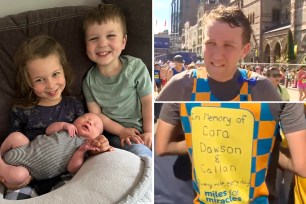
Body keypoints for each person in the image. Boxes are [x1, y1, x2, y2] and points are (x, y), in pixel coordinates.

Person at [2, 35, 110, 198]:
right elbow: (13, 142)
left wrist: (99, 145)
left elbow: (87, 137)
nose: (51, 85)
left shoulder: (74, 105)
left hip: (64, 175)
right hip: (27, 174)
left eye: (55, 74)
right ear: (28, 81)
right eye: (39, 80)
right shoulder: (21, 109)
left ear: (64, 71)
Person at [156, 102, 306, 203]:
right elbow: (301, 167)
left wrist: (208, 139)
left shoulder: (182, 89)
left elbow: (162, 147)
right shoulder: (285, 100)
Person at [156, 5, 281, 101]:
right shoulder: (179, 86)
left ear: (244, 50)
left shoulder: (262, 89)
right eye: (211, 43)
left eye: (228, 45)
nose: (217, 55)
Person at [82, 4, 152, 157]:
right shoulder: (89, 81)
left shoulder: (135, 67)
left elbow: (148, 101)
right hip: (111, 137)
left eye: (110, 36)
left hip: (141, 133)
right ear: (86, 44)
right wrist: (121, 131)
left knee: (143, 153)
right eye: (94, 38)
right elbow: (97, 116)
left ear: (123, 41)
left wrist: (148, 131)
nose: (102, 44)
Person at [0, 113, 112, 189]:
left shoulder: (82, 147)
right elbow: (48, 130)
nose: (90, 122)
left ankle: (2, 166)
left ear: (97, 137)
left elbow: (72, 169)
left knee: (19, 176)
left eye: (95, 125)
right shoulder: (67, 129)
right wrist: (64, 125)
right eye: (85, 117)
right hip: (25, 147)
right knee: (17, 136)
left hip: (28, 170)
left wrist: (81, 151)